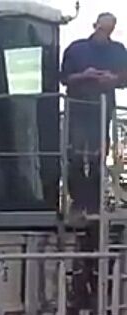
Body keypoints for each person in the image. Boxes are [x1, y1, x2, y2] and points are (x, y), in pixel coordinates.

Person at [60, 12, 127, 212]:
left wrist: (113, 79)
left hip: (102, 110)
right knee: (76, 155)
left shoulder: (118, 50)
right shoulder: (76, 48)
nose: (104, 33)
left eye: (109, 30)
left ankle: (95, 202)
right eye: (102, 28)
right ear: (94, 25)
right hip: (79, 108)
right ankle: (80, 201)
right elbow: (64, 78)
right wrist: (84, 75)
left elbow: (125, 77)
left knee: (99, 156)